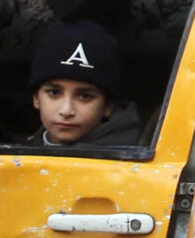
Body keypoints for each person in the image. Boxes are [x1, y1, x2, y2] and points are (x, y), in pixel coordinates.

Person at [26, 19, 146, 150]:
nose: (66, 111)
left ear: (107, 106)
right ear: (36, 98)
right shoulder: (24, 151)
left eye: (85, 96)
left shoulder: (129, 160)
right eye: (54, 93)